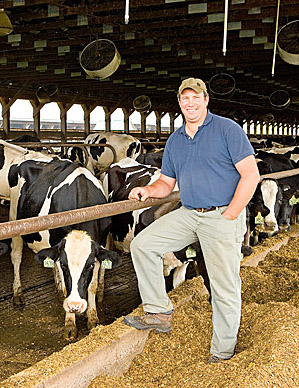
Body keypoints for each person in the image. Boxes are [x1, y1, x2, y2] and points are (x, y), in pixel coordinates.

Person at [124, 77, 260, 364]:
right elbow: (166, 183)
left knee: (224, 286)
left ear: (206, 99)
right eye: (185, 98)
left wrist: (231, 213)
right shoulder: (175, 140)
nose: (190, 103)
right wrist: (147, 191)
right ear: (179, 103)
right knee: (143, 244)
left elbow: (251, 175)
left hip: (222, 215)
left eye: (195, 97)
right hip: (189, 213)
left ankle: (222, 352)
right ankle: (159, 311)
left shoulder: (227, 129)